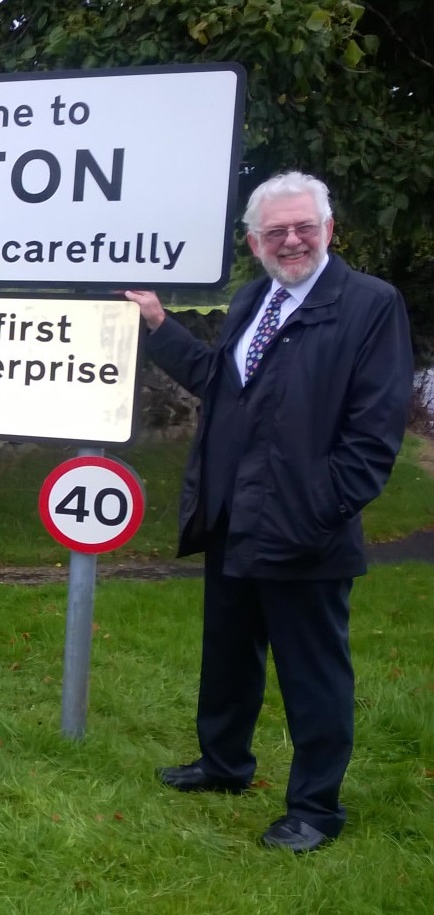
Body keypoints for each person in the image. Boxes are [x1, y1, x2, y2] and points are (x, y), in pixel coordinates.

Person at [126, 171, 413, 853]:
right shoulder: (256, 296)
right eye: (276, 231)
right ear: (253, 242)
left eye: (303, 227)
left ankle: (314, 808)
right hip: (233, 515)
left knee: (312, 671)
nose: (291, 240)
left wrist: (319, 509)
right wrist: (161, 327)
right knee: (228, 655)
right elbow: (220, 383)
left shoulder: (369, 305)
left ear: (328, 230)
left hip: (305, 530)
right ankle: (223, 764)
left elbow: (373, 433)